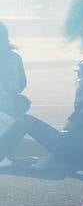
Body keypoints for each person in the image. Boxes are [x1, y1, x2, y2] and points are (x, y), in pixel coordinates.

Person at [0, 23, 65, 170]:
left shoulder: (11, 58)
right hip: (7, 112)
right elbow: (19, 84)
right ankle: (64, 148)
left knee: (21, 113)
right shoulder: (12, 58)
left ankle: (64, 147)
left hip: (7, 112)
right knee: (25, 120)